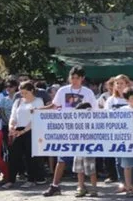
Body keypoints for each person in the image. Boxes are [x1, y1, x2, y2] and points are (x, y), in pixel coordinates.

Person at [42, 65, 98, 197]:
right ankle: (55, 186)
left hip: (83, 131)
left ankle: (85, 187)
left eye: (77, 78)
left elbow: (94, 111)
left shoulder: (88, 92)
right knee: (61, 158)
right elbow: (55, 106)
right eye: (72, 78)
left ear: (82, 78)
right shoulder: (62, 90)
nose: (74, 80)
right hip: (66, 130)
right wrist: (40, 110)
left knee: (84, 159)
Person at [2, 81, 44, 188]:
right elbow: (13, 115)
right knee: (13, 156)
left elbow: (36, 118)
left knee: (30, 156)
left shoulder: (38, 101)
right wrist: (11, 126)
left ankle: (31, 179)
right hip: (17, 130)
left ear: (32, 91)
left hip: (32, 130)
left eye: (25, 92)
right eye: (21, 93)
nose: (23, 95)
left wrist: (24, 130)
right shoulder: (18, 101)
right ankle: (10, 180)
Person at [72, 102, 98, 197]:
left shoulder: (93, 122)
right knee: (79, 170)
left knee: (91, 169)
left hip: (89, 148)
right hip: (78, 148)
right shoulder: (75, 122)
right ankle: (81, 187)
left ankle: (94, 189)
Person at [0, 79, 19, 146]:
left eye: (10, 86)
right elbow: (1, 112)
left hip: (18, 126)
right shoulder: (3, 99)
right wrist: (9, 123)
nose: (8, 88)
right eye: (6, 86)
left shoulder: (20, 99)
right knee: (8, 146)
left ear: (15, 87)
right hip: (6, 126)